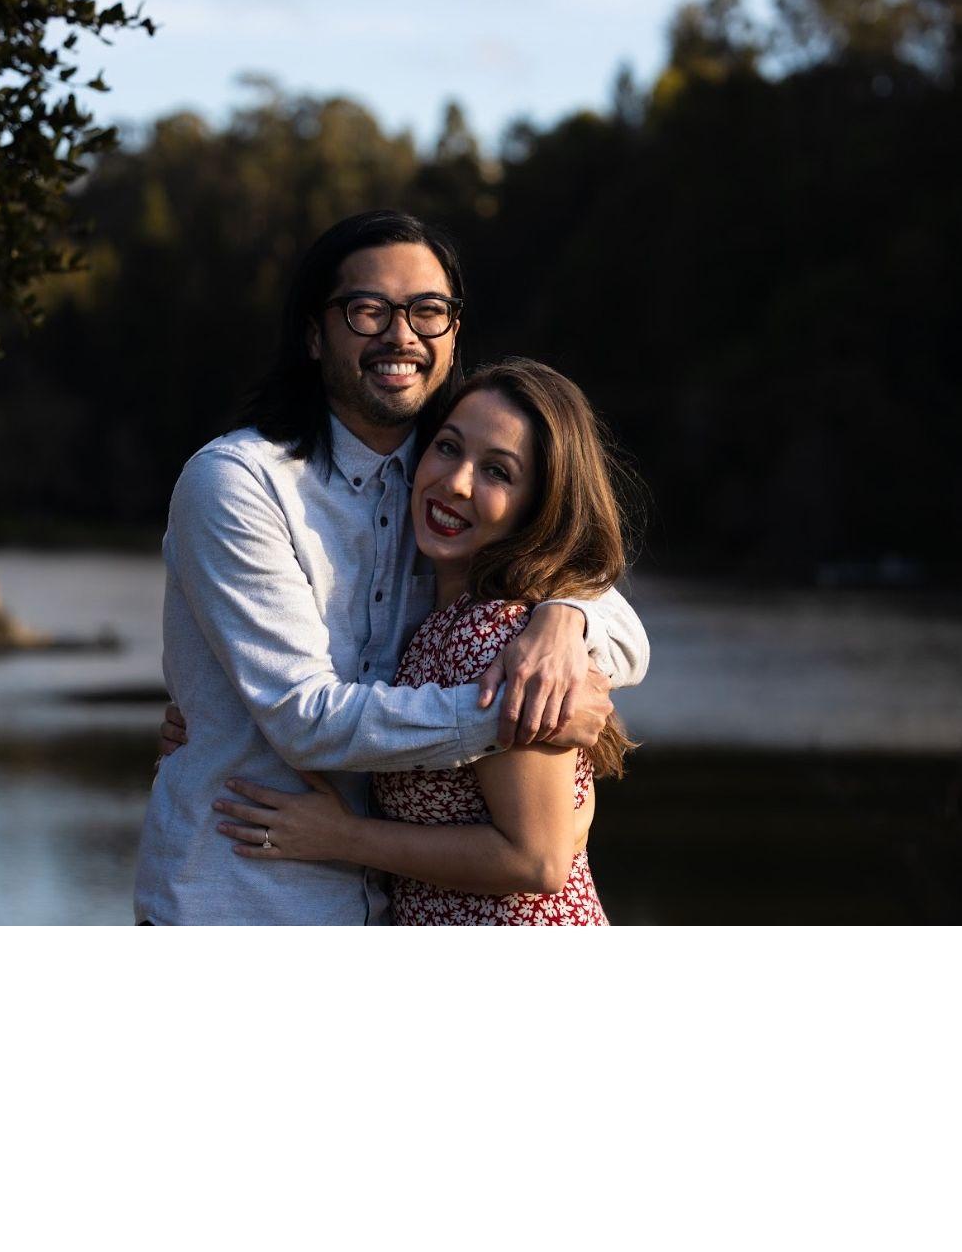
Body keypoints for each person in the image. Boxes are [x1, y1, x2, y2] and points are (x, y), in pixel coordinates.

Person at [132, 210, 648, 925]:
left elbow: (610, 613)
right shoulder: (240, 483)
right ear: (315, 333)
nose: (401, 335)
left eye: (427, 310)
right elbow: (304, 718)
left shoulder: (445, 494)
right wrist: (519, 713)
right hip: (238, 898)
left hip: (387, 906)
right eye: (368, 309)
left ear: (453, 333)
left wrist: (565, 621)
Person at [210, 358, 639, 924]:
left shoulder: (496, 635)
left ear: (539, 506)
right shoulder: (439, 619)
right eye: (448, 448)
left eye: (498, 472)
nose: (457, 481)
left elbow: (537, 861)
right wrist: (214, 711)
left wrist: (343, 837)